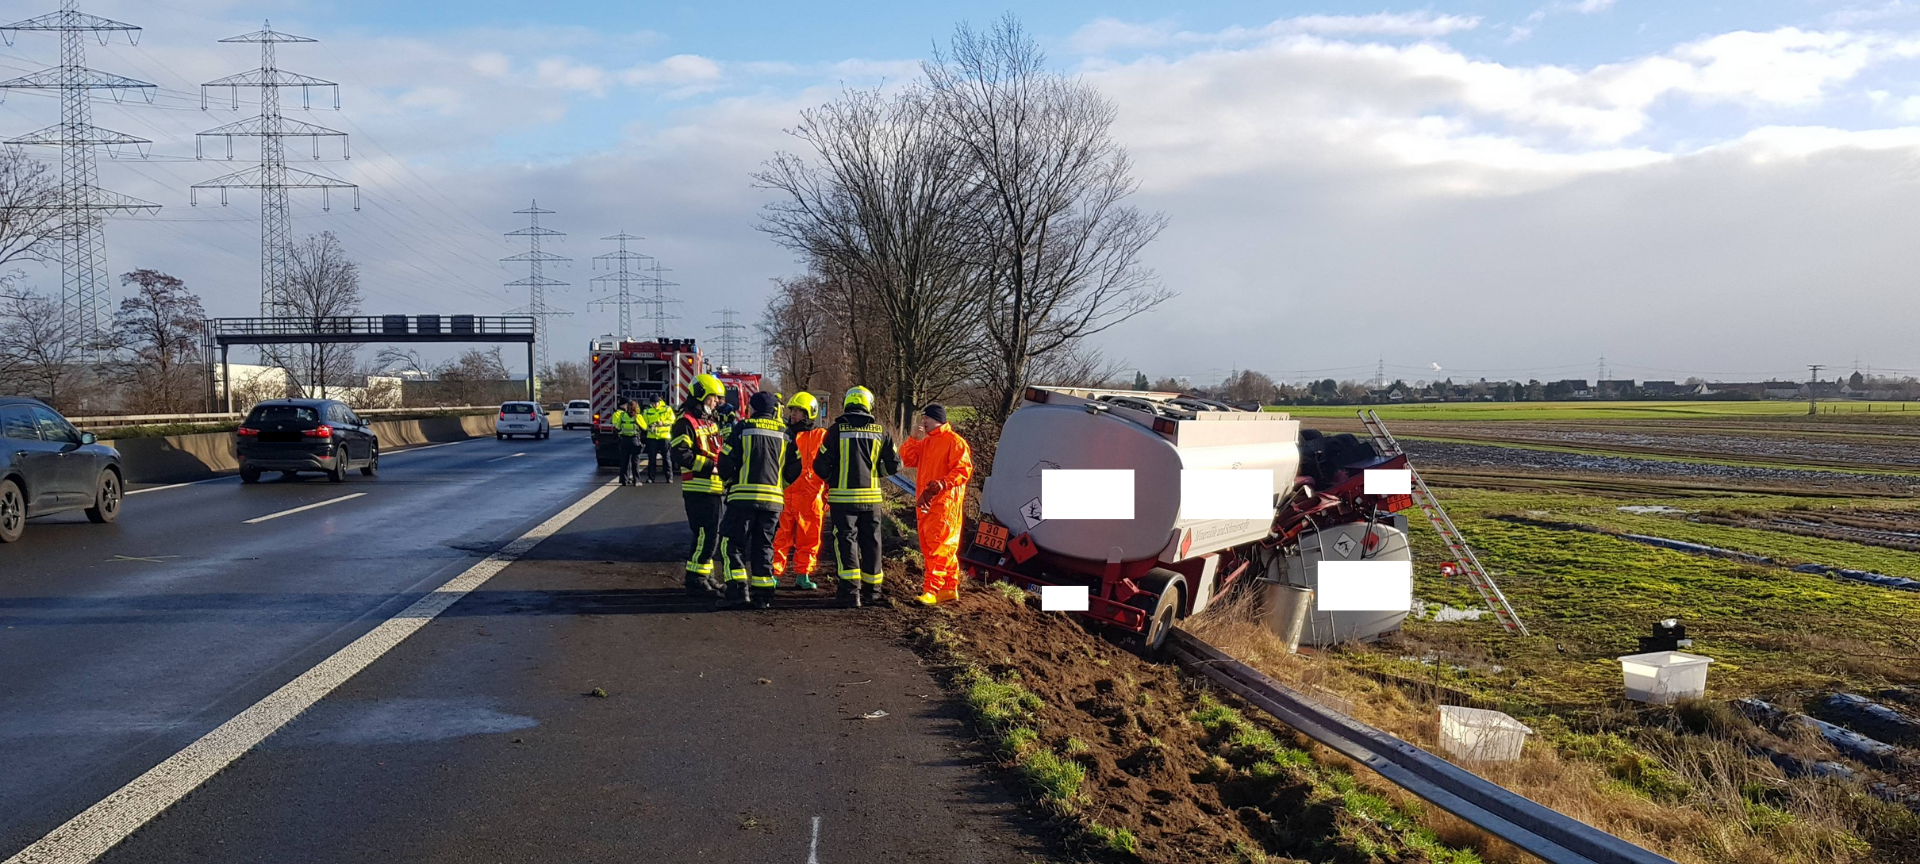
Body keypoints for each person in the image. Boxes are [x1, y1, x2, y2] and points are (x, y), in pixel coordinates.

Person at [814, 385, 900, 608]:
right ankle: (873, 592)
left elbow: (819, 465)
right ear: (869, 404)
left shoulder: (835, 431)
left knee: (846, 543)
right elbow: (894, 464)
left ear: (847, 403)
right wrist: (876, 473)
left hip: (843, 500)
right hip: (871, 500)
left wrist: (834, 478)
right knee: (872, 542)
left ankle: (850, 593)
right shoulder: (880, 431)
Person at [716, 391, 802, 609]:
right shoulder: (786, 432)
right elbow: (795, 467)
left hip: (742, 498)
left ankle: (737, 592)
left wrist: (729, 481)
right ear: (775, 410)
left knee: (732, 544)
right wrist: (779, 485)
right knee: (764, 546)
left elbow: (725, 461)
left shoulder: (742, 428)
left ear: (752, 409)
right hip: (772, 502)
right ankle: (763, 596)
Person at [901, 403, 973, 606]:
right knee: (938, 547)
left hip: (944, 505)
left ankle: (931, 590)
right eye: (923, 418)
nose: (923, 421)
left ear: (938, 419)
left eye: (927, 418)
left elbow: (963, 471)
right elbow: (907, 459)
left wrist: (943, 483)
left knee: (937, 548)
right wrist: (913, 439)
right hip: (927, 504)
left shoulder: (954, 442)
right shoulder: (926, 443)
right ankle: (949, 588)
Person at [671, 374, 728, 598]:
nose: (716, 402)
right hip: (698, 488)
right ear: (702, 395)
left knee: (711, 535)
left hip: (714, 488)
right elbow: (680, 454)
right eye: (713, 397)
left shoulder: (709, 421)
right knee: (706, 535)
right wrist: (710, 466)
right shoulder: (686, 422)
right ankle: (695, 579)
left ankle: (707, 575)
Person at [770, 392, 827, 589]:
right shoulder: (783, 433)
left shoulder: (821, 436)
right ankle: (775, 573)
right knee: (781, 537)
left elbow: (828, 465)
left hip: (811, 497)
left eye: (799, 411)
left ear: (809, 413)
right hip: (786, 493)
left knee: (810, 538)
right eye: (793, 411)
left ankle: (803, 574)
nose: (794, 415)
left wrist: (826, 494)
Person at [611, 400, 643, 486]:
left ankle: (624, 480)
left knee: (624, 461)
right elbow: (644, 426)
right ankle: (636, 481)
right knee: (635, 462)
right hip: (634, 440)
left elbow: (617, 426)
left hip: (624, 440)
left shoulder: (622, 416)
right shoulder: (637, 416)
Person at [643, 397, 673, 483]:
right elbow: (644, 422)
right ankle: (651, 478)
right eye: (653, 403)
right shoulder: (647, 411)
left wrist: (663, 423)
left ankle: (669, 477)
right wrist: (649, 426)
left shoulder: (667, 409)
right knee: (651, 458)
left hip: (664, 436)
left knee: (666, 458)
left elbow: (672, 420)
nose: (655, 405)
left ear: (659, 402)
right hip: (652, 437)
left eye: (656, 403)